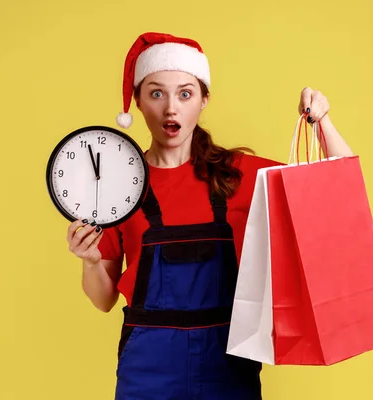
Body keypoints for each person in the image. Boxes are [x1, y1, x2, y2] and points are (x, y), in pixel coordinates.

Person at [66, 32, 354, 400]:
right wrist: (91, 262)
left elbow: (338, 188)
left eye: (185, 93)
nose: (171, 108)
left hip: (227, 367)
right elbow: (103, 299)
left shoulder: (240, 176)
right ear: (137, 101)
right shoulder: (116, 187)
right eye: (156, 93)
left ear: (203, 100)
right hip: (147, 372)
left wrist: (323, 122)